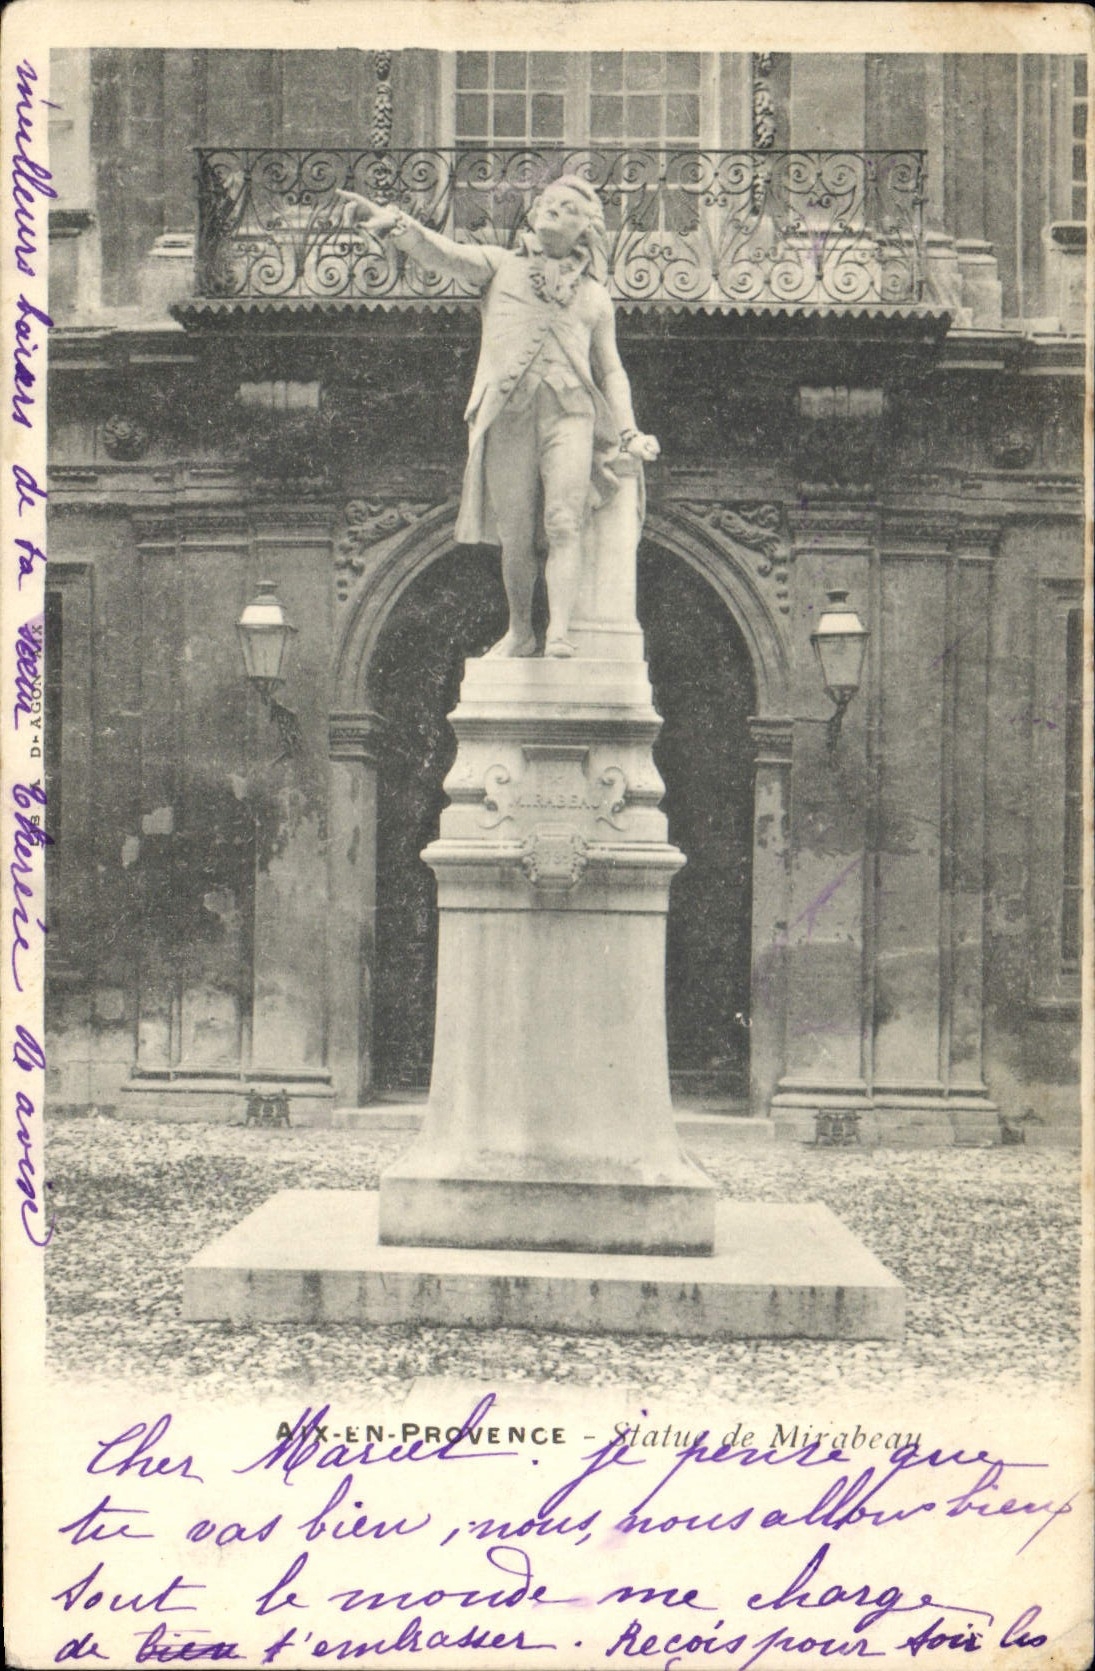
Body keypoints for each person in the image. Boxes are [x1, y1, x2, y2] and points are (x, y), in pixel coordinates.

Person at [334, 175, 659, 658]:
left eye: (567, 207)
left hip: (570, 414)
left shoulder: (595, 297)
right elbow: (443, 253)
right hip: (508, 412)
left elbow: (611, 370)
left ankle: (561, 633)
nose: (552, 209)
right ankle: (522, 631)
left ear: (585, 228)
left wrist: (629, 430)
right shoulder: (499, 265)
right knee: (515, 533)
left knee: (564, 522)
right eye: (547, 202)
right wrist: (394, 222)